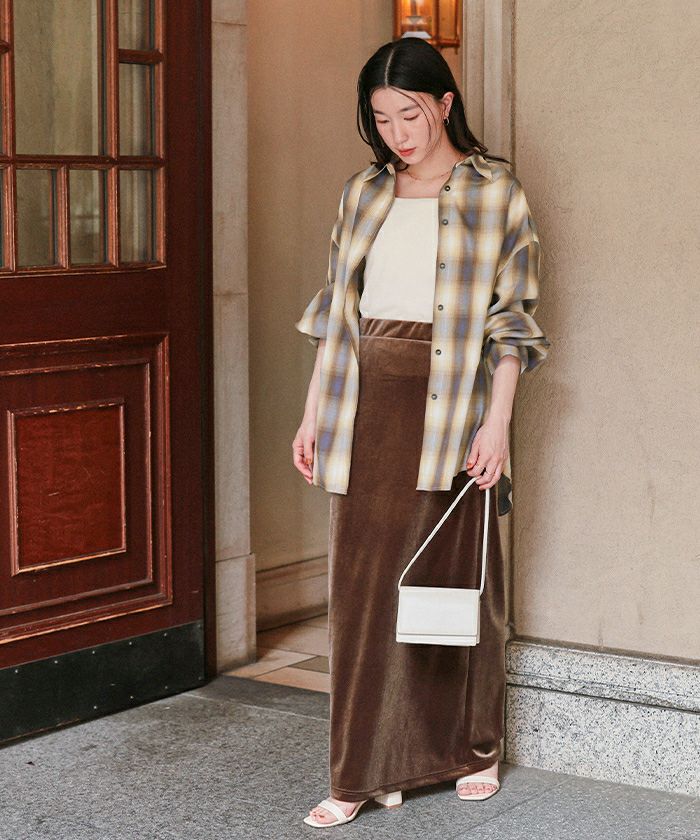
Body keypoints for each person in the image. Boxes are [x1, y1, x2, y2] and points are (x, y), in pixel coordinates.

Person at [292, 37, 550, 828]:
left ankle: (469, 751)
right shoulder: (362, 193)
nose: (398, 133)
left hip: (453, 407)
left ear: (443, 103)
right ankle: (360, 771)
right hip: (364, 402)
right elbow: (337, 310)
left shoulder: (495, 191)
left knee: (452, 582)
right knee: (362, 592)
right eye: (381, 118)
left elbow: (512, 321)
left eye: (410, 113)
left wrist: (496, 424)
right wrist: (312, 412)